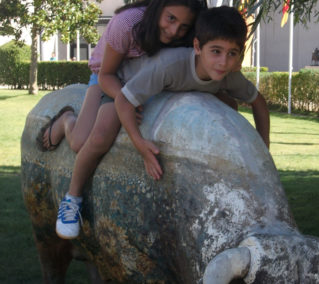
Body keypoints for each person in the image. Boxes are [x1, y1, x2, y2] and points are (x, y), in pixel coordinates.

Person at [37, 0, 207, 240]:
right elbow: (106, 74)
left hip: (148, 82)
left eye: (183, 26)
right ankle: (71, 195)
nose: (174, 31)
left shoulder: (187, 35)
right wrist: (126, 101)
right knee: (84, 142)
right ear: (158, 8)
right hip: (112, 79)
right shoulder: (128, 23)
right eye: (171, 19)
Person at [115, 6, 270, 181]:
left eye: (232, 53)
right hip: (121, 82)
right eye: (216, 51)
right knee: (100, 135)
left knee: (230, 105)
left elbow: (258, 102)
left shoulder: (228, 75)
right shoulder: (170, 66)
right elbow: (123, 100)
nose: (223, 62)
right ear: (197, 46)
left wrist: (263, 150)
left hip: (171, 91)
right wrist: (140, 145)